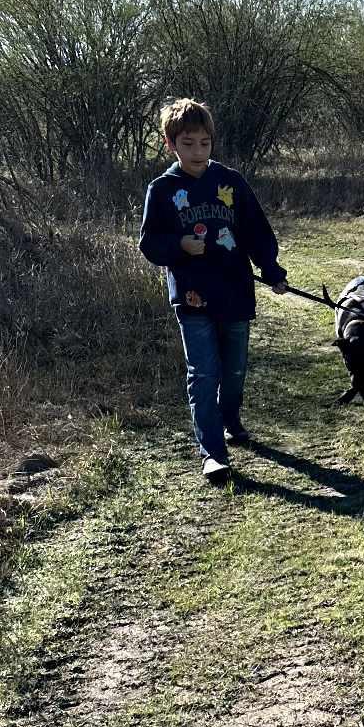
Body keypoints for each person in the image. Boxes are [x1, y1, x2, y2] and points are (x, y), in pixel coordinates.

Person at [138, 97, 287, 483]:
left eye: (204, 143)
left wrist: (271, 270)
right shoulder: (163, 189)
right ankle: (212, 453)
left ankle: (230, 418)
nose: (197, 151)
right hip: (192, 298)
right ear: (171, 144)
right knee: (203, 373)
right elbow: (150, 243)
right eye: (187, 144)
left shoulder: (231, 182)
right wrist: (179, 247)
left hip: (235, 291)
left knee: (234, 370)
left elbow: (256, 231)